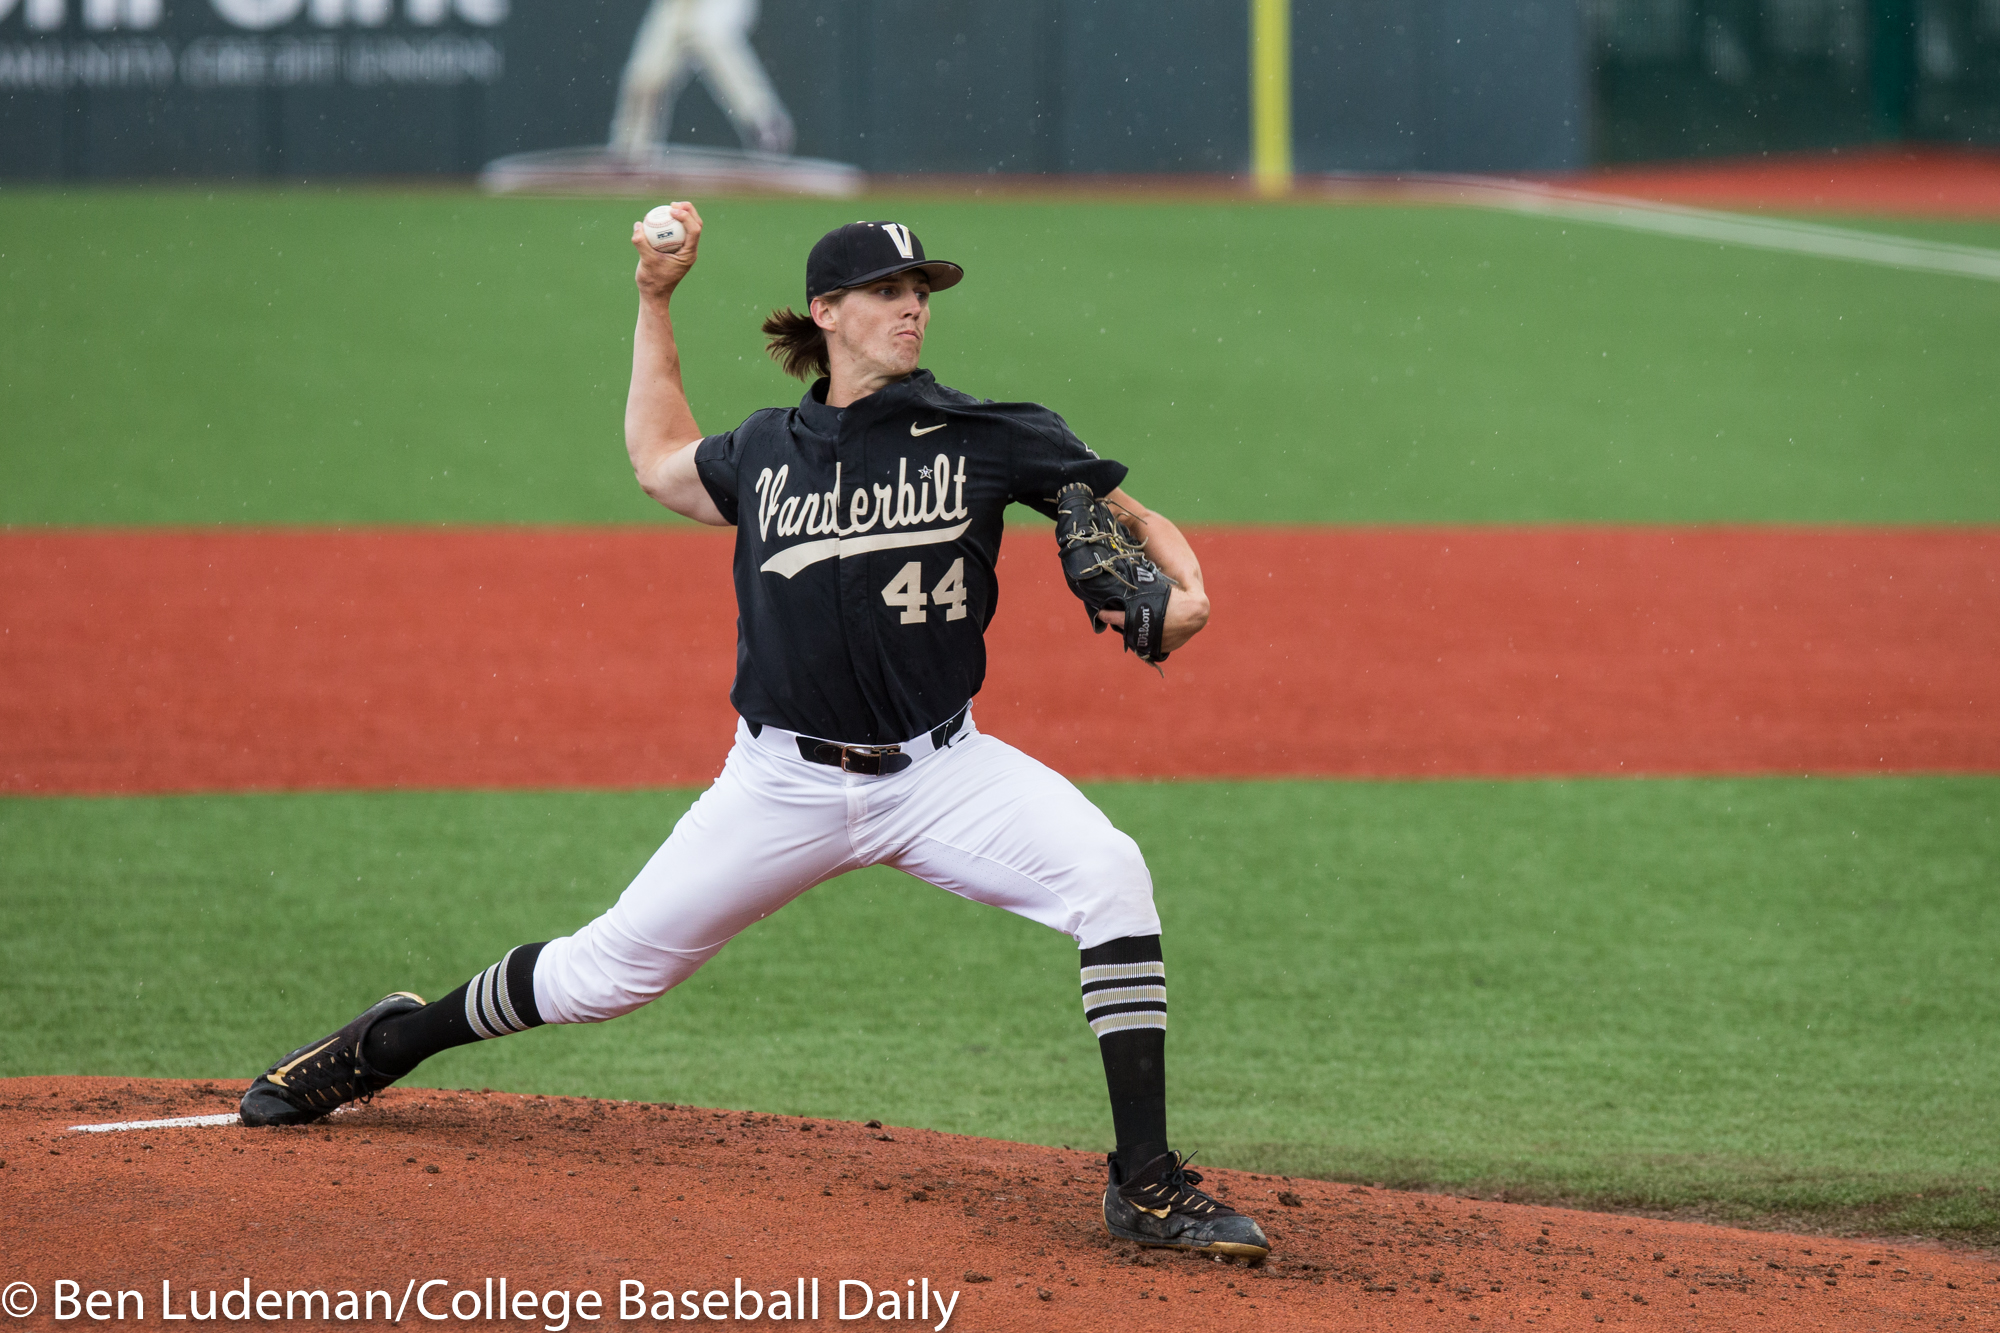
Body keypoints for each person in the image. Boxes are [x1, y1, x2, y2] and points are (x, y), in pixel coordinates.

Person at [238, 206, 1268, 1259]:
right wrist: (652, 298)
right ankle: (387, 1041)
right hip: (780, 786)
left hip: (943, 773)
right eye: (885, 291)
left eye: (921, 291)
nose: (912, 306)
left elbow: (1129, 514)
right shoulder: (767, 450)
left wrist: (1185, 593)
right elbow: (657, 459)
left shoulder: (988, 434)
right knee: (604, 975)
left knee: (1109, 873)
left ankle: (1143, 1183)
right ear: (827, 314)